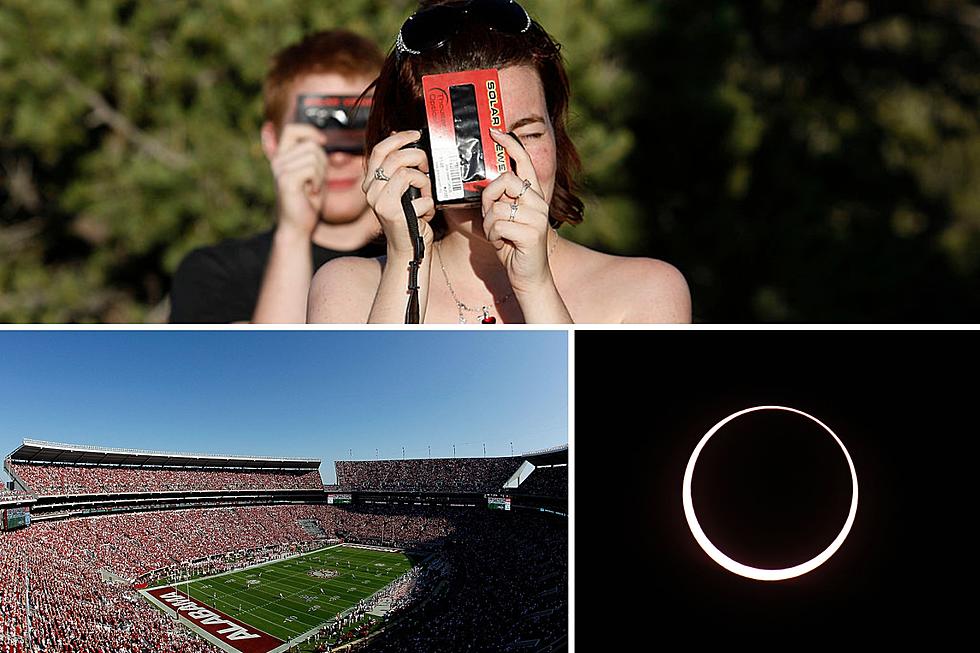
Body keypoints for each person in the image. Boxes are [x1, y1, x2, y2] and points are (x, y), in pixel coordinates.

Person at [307, 0, 691, 324]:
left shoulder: (645, 291)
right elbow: (369, 406)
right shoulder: (348, 289)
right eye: (469, 141)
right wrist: (408, 263)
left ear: (557, 135)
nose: (502, 163)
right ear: (408, 149)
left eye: (527, 134)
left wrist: (536, 287)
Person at [170, 30, 385, 323]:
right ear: (273, 142)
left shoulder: (428, 258)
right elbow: (262, 366)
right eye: (318, 127)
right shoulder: (215, 274)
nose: (337, 156)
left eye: (357, 125)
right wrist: (293, 234)